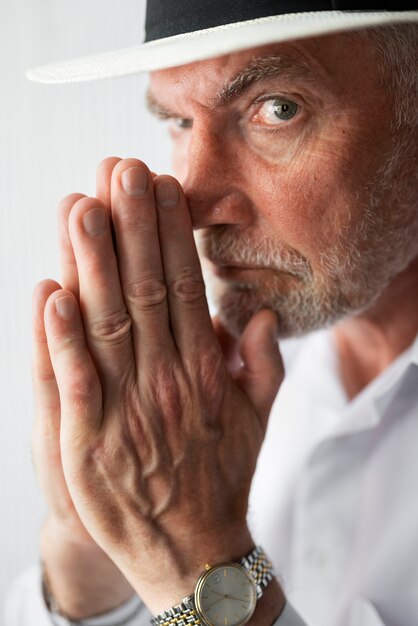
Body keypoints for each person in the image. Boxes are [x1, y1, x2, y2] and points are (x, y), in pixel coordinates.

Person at [5, 3, 418, 626]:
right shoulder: (187, 398)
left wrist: (197, 553)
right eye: (176, 119)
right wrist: (93, 554)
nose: (195, 199)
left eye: (277, 109)